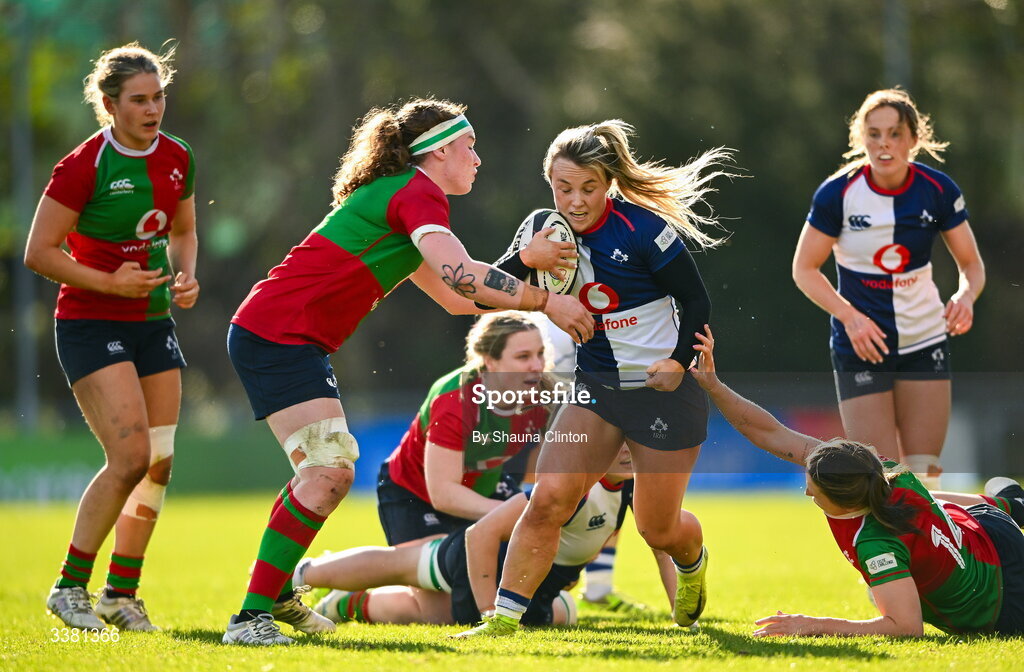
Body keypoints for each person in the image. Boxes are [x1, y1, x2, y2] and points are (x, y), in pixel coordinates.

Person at [222, 98, 594, 645]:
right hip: (277, 335)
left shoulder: (411, 199)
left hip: (284, 336)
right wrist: (546, 300)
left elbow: (456, 297)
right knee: (329, 473)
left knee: (324, 473)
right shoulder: (417, 192)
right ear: (440, 150)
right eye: (469, 146)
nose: (477, 158)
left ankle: (273, 594)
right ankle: (250, 618)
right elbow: (465, 277)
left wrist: (523, 266)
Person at [454, 120, 736, 637]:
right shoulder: (542, 231)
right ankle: (503, 621)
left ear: (609, 183)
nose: (576, 201)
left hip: (661, 395)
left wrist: (677, 362)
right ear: (550, 184)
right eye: (564, 188)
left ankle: (693, 560)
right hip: (597, 390)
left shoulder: (645, 230)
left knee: (658, 528)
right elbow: (478, 295)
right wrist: (524, 259)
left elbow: (696, 300)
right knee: (549, 498)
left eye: (589, 187)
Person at [689, 325, 1024, 637]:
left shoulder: (875, 542)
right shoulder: (879, 471)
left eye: (814, 490)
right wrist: (713, 385)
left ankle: (1007, 504)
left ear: (846, 501)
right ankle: (1008, 504)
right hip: (987, 533)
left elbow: (906, 626)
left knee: (881, 593)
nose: (806, 489)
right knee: (998, 491)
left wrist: (811, 623)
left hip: (1004, 605)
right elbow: (770, 432)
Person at [23, 43, 198, 632]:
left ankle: (120, 596)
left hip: (152, 323)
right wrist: (108, 282)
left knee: (161, 462)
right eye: (140, 100)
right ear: (109, 104)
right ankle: (68, 587)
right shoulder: (83, 166)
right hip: (91, 324)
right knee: (129, 457)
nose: (153, 110)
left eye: (159, 97)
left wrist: (185, 272)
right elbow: (38, 252)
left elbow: (185, 229)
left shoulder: (178, 156)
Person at [792, 88, 985, 489]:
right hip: (862, 345)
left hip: (924, 339)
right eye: (874, 133)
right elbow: (804, 269)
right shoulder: (837, 194)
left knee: (923, 475)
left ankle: (937, 549)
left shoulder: (938, 189)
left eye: (895, 134)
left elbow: (971, 265)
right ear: (860, 138)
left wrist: (966, 296)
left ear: (914, 138)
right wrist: (851, 319)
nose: (884, 144)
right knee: (878, 477)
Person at [293, 449, 637, 627]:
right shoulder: (565, 486)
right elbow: (481, 533)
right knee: (400, 568)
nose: (626, 451)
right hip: (479, 558)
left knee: (567, 612)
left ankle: (345, 603)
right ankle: (295, 575)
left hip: (526, 588)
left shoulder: (629, 490)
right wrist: (489, 610)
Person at [377, 311, 549, 546]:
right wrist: (516, 514)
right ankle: (323, 574)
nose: (537, 366)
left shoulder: (546, 393)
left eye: (540, 354)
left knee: (544, 563)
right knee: (435, 579)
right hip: (415, 493)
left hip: (484, 490)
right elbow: (444, 494)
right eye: (523, 357)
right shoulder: (455, 401)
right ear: (490, 360)